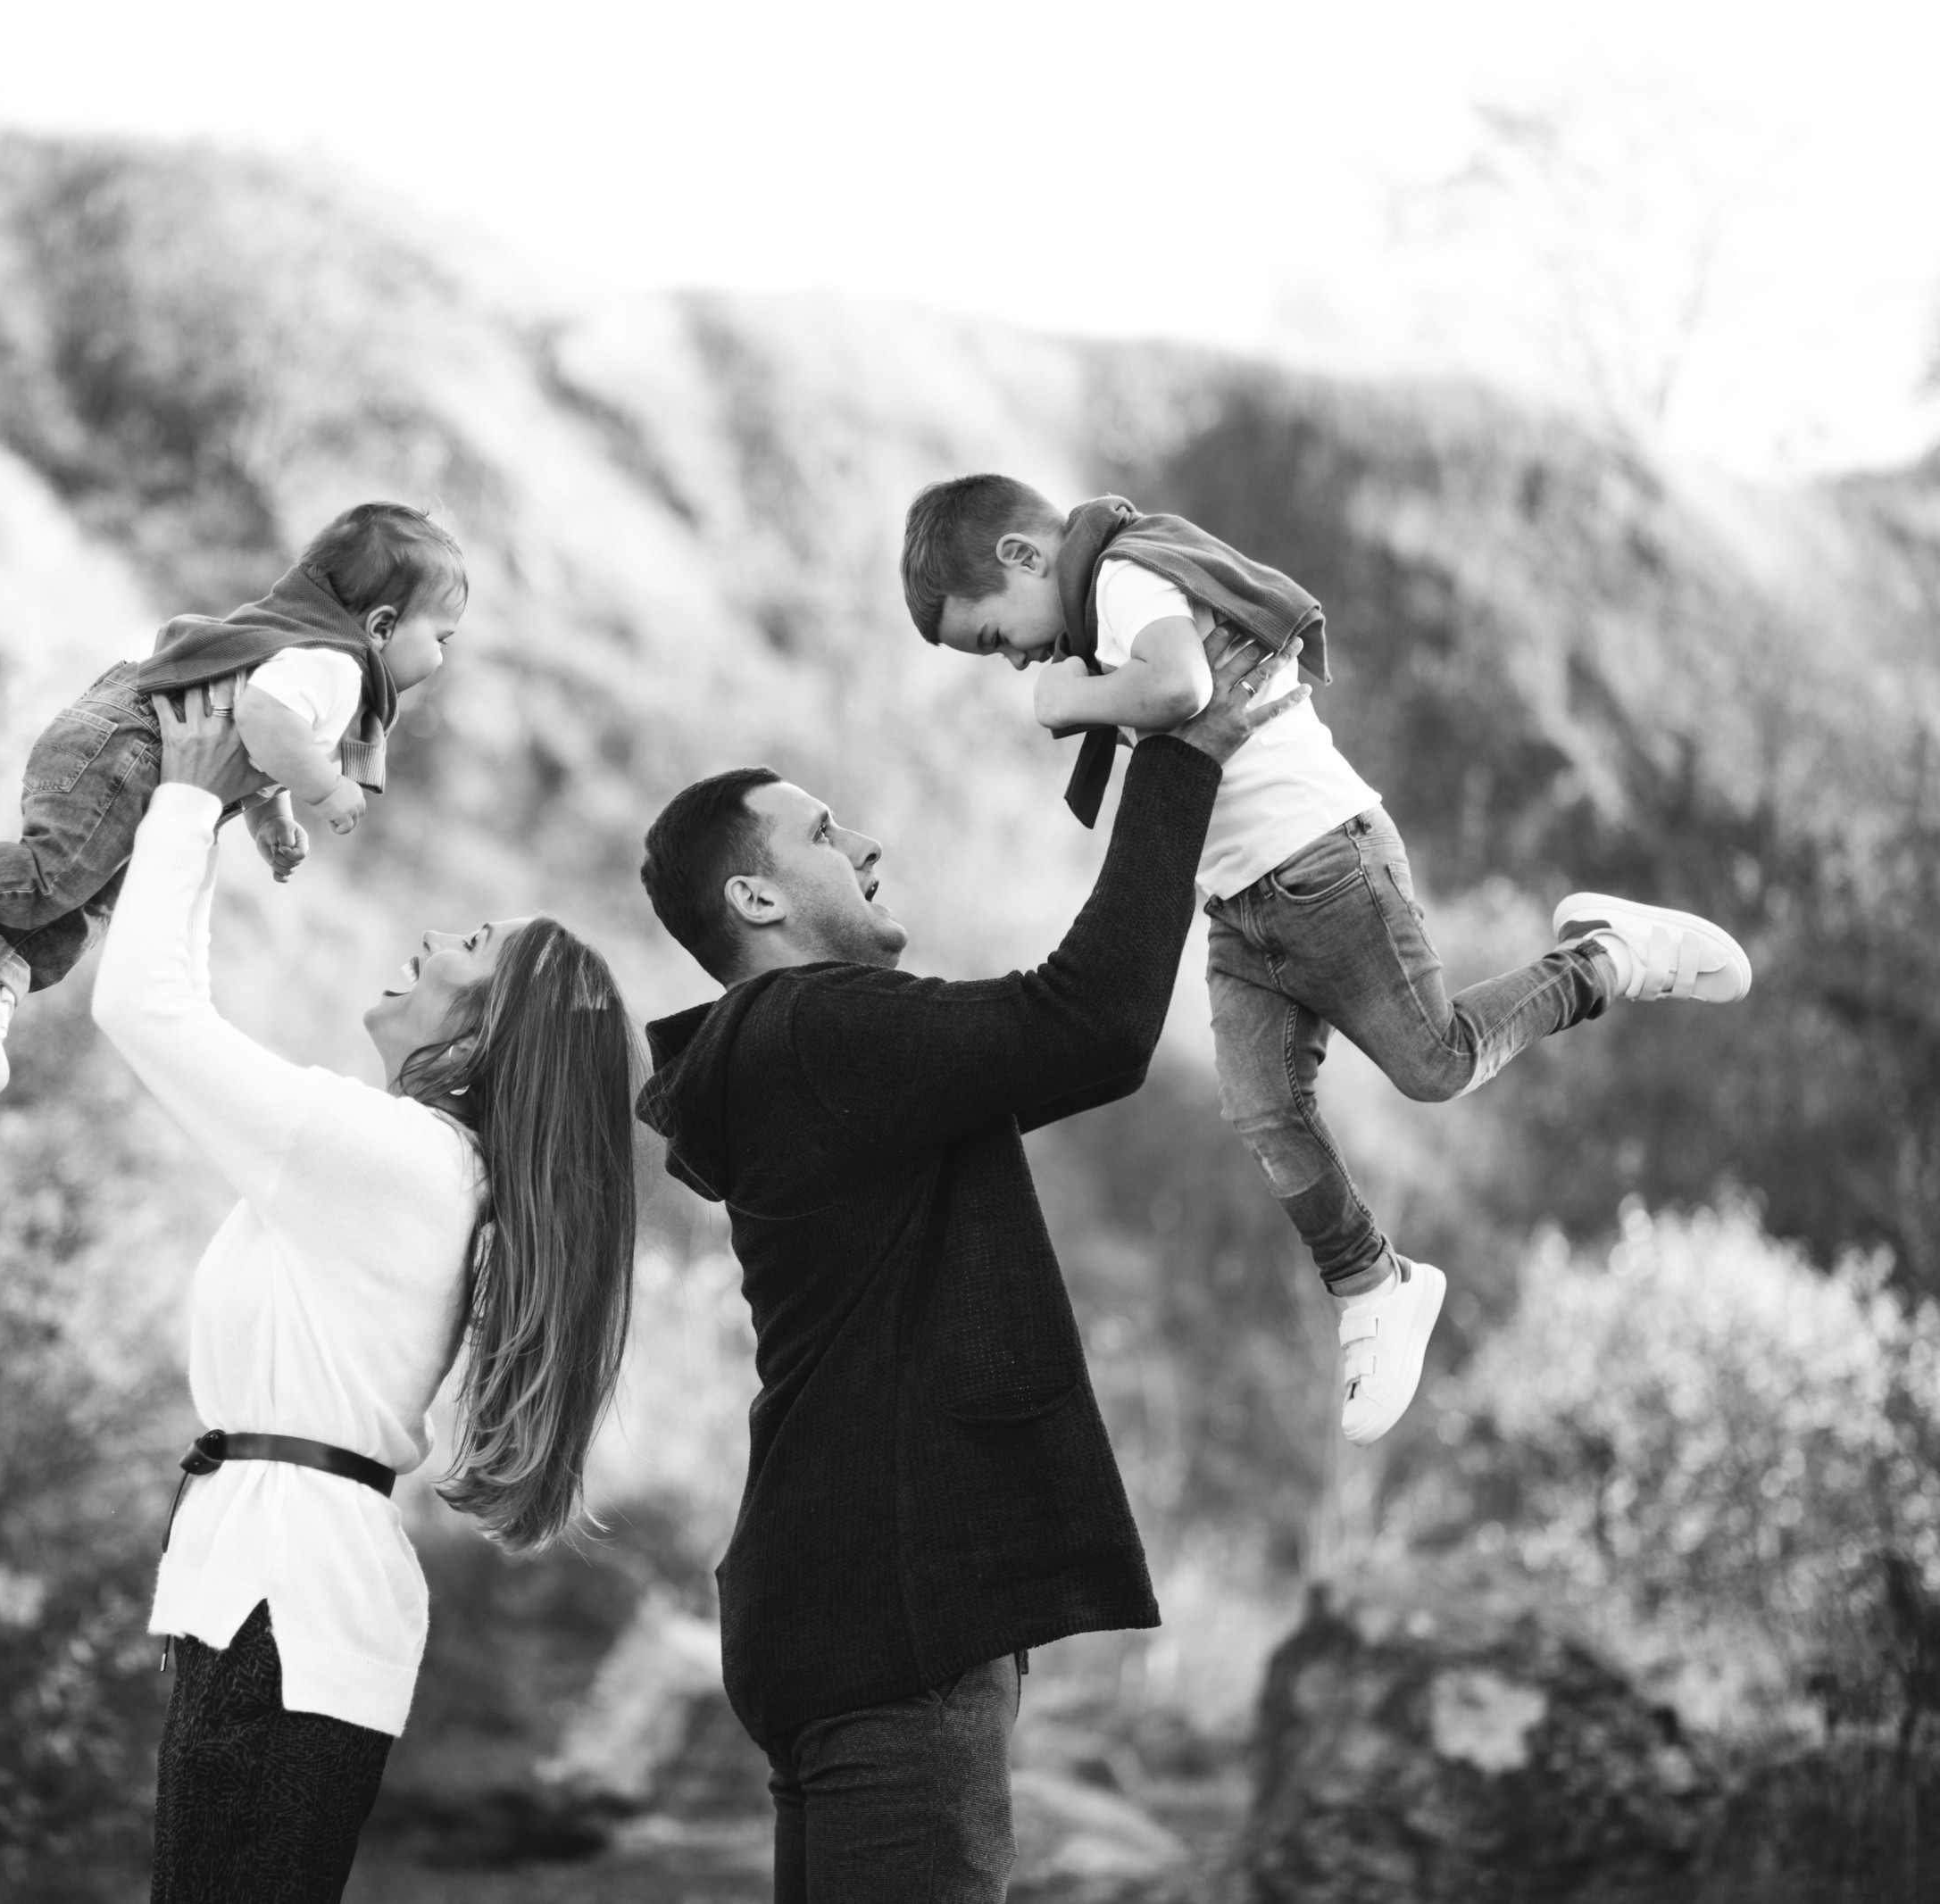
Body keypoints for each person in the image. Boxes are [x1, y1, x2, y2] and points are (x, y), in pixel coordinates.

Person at [636, 637, 1302, 1904]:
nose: (869, 845)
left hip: (831, 1602)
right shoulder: (817, 1027)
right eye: (825, 835)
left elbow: (1062, 1035)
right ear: (759, 902)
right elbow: (1089, 1023)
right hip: (893, 1613)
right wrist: (1186, 748)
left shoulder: (788, 1060)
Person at [899, 476, 1756, 1443]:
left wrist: (1073, 700)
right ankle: (1370, 1285)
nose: (1013, 661)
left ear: (1020, 557)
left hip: (1321, 859)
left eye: (993, 636)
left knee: (1433, 1062)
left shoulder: (1126, 578)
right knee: (1260, 1104)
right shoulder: (1100, 601)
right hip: (1237, 904)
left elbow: (1179, 686)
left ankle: (1608, 957)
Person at [93, 690, 641, 1903]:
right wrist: (206, 814)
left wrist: (190, 799)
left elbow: (142, 1011)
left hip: (282, 1603)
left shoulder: (398, 1161)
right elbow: (170, 1005)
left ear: (493, 1032)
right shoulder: (415, 1169)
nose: (441, 939)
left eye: (476, 947)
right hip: (280, 1595)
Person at [0, 502, 466, 1095]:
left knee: (97, 893)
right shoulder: (338, 667)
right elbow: (261, 716)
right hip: (131, 744)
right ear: (382, 626)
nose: (442, 656)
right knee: (55, 873)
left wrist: (271, 820)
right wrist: (325, 787)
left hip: (136, 749)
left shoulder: (321, 662)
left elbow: (255, 745)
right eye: (442, 637)